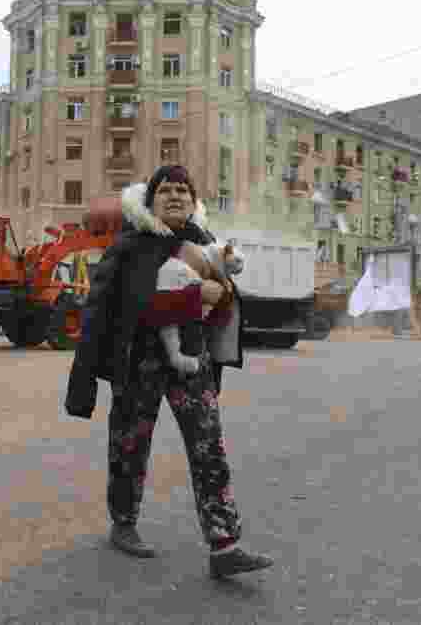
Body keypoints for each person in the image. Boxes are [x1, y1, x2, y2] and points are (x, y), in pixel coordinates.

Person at [66, 165, 273, 579]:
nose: (176, 196)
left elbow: (224, 304)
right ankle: (124, 522)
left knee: (209, 448)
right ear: (151, 200)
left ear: (194, 201)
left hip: (192, 363)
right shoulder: (128, 247)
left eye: (183, 190)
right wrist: (85, 379)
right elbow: (118, 311)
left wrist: (220, 298)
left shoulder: (205, 244)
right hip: (138, 362)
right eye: (166, 190)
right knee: (129, 445)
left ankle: (224, 544)